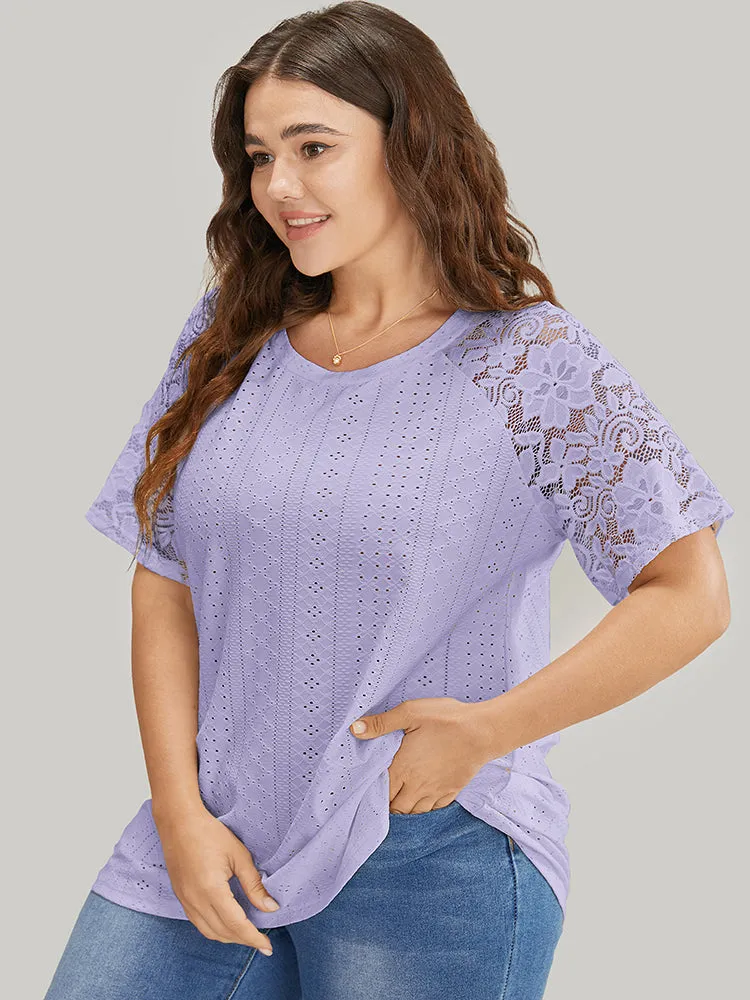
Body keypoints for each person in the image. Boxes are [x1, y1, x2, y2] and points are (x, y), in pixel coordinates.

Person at [45, 3, 734, 999]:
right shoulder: (232, 337)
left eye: (313, 147)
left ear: (409, 143)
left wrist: (488, 730)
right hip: (207, 838)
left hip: (427, 849)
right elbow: (164, 576)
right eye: (259, 157)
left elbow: (689, 591)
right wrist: (180, 813)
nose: (279, 186)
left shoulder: (531, 361)